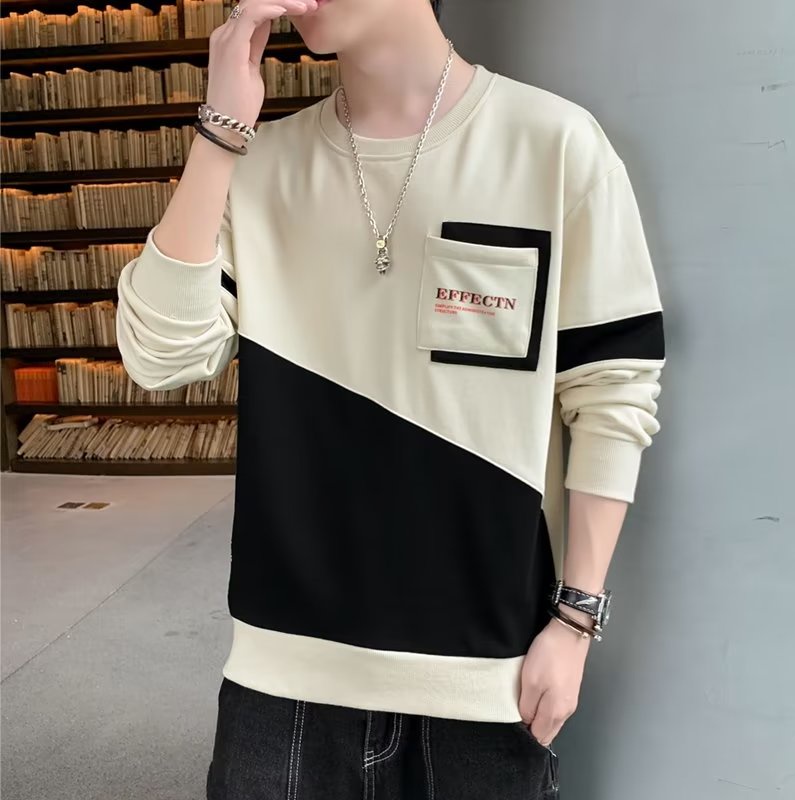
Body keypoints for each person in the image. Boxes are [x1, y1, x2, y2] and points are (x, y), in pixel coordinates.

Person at [115, 0, 666, 797]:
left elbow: (612, 391)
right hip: (286, 676)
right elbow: (159, 357)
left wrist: (576, 620)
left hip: (489, 677)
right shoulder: (258, 164)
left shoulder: (553, 145)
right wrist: (219, 134)